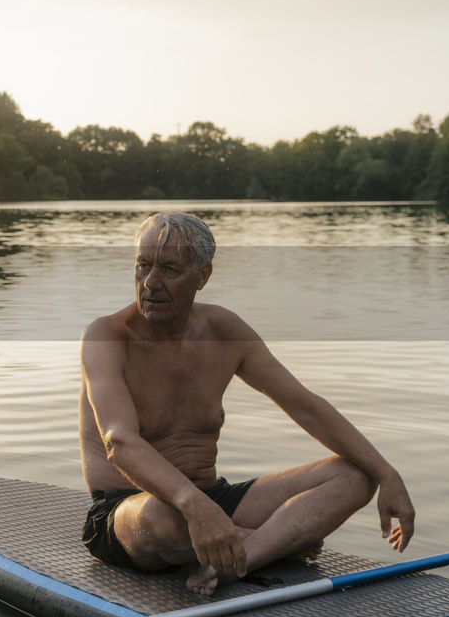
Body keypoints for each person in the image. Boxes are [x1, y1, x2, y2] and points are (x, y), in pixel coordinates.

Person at [79, 212, 415, 595]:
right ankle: (269, 544)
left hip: (212, 498)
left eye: (169, 269)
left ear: (202, 276)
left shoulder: (224, 332)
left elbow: (306, 407)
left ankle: (240, 558)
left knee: (356, 475)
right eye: (143, 266)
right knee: (165, 516)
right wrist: (193, 504)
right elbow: (118, 441)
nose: (151, 283)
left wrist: (389, 474)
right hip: (129, 514)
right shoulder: (105, 337)